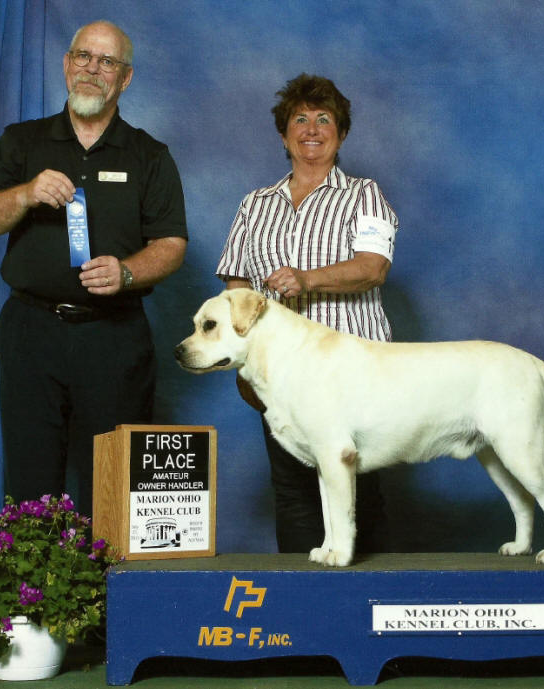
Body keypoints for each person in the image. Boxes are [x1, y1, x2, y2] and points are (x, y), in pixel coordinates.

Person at [0, 21, 188, 513]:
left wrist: (127, 272)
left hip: (115, 336)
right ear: (66, 65)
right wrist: (24, 194)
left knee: (113, 483)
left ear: (125, 78)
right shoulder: (22, 140)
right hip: (31, 332)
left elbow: (171, 244)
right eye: (83, 56)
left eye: (107, 61)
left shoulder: (150, 155)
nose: (92, 69)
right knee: (29, 476)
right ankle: (31, 566)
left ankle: (105, 568)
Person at [217, 73, 398, 554]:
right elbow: (236, 291)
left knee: (358, 487)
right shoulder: (254, 205)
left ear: (342, 134)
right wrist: (243, 362)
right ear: (283, 135)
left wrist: (307, 278)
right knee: (294, 493)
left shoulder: (364, 194)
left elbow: (373, 268)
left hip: (353, 373)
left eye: (324, 119)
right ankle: (300, 594)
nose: (312, 129)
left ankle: (367, 592)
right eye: (300, 119)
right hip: (280, 377)